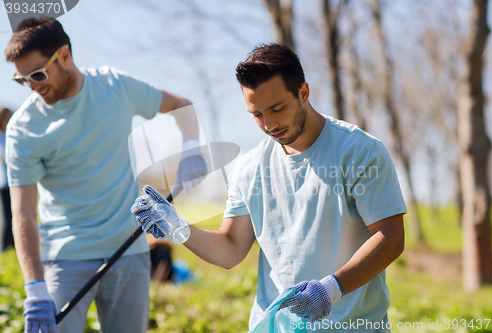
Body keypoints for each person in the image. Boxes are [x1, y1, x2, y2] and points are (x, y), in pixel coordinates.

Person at [133, 43, 407, 333]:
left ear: (303, 93)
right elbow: (231, 250)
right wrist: (180, 228)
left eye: (277, 108)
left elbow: (391, 238)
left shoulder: (360, 151)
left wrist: (331, 289)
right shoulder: (249, 168)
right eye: (257, 114)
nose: (268, 124)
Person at [5, 18, 206, 333]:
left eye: (39, 74)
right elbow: (22, 213)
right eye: (22, 80)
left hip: (129, 250)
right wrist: (35, 290)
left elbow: (181, 104)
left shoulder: (115, 86)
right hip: (65, 258)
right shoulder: (24, 128)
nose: (33, 86)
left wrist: (192, 147)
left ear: (66, 56)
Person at [0, 107, 14, 251]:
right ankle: (5, 248)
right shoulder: (1, 137)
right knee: (7, 218)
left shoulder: (11, 134)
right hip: (5, 184)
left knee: (17, 216)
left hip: (15, 183)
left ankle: (14, 246)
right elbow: (4, 157)